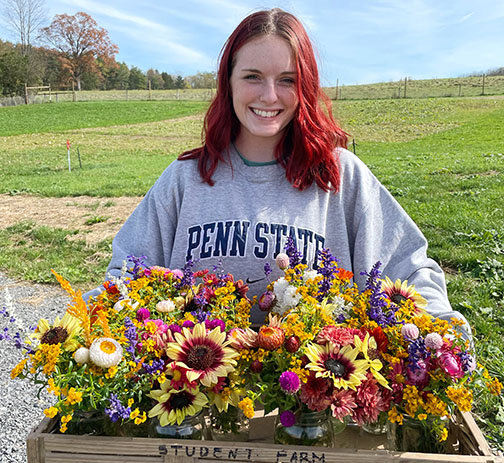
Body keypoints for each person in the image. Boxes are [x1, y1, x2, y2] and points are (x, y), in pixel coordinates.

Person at [85, 8, 470, 336]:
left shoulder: (339, 177)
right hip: (195, 403)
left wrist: (440, 329)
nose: (269, 96)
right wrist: (90, 324)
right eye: (253, 76)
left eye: (287, 80)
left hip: (318, 404)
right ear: (228, 83)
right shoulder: (185, 179)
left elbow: (407, 267)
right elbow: (126, 274)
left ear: (305, 87)